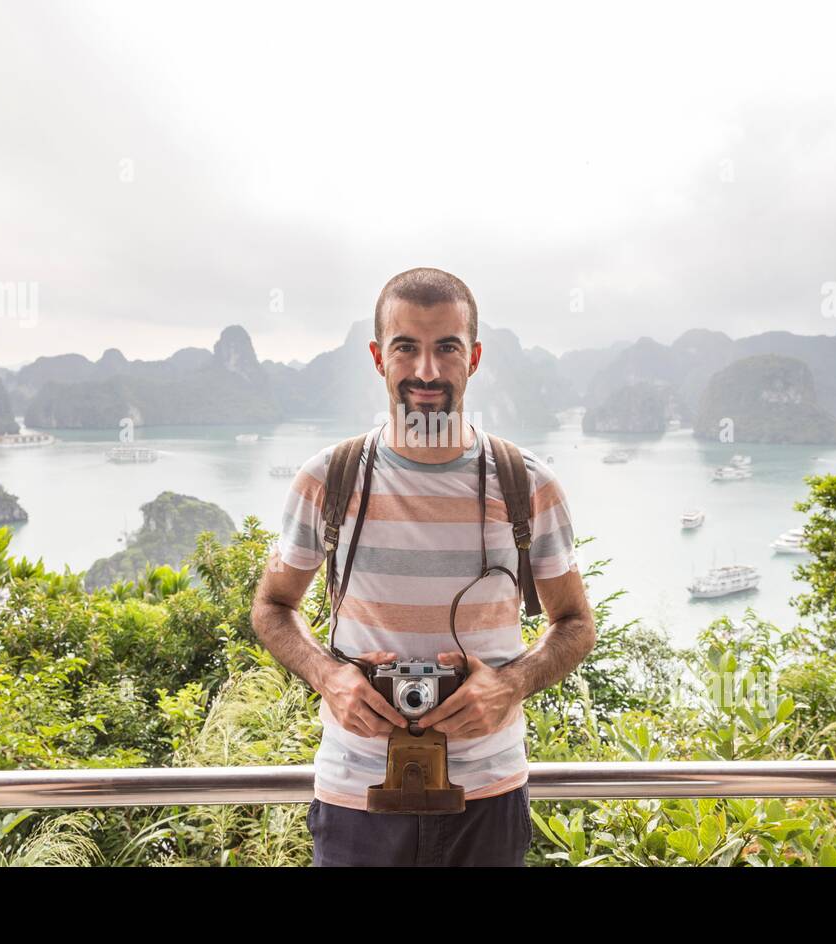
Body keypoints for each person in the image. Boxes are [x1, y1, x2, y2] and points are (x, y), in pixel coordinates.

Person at [250, 266, 597, 866]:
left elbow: (574, 624)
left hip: (486, 791)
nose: (427, 371)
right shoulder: (327, 480)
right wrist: (326, 676)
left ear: (475, 357)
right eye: (407, 347)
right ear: (378, 356)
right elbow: (272, 606)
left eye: (447, 348)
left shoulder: (527, 485)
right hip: (356, 792)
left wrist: (510, 685)